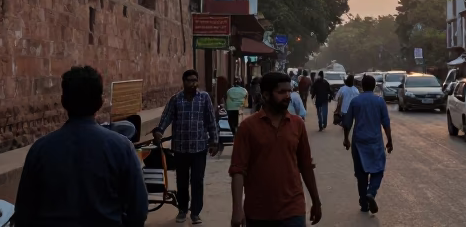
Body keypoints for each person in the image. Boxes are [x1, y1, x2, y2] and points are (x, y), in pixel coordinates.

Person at [15, 66, 147, 227]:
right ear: (100, 102)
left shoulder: (40, 150)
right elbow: (138, 211)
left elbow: (23, 214)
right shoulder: (121, 148)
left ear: (63, 101)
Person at [229, 72, 322, 227]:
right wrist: (237, 210)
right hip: (259, 212)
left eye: (289, 92)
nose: (287, 96)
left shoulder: (297, 124)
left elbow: (305, 165)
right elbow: (238, 170)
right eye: (281, 92)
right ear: (265, 95)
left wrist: (316, 202)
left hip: (293, 209)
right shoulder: (248, 127)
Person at [152, 69, 220, 224]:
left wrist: (214, 141)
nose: (193, 83)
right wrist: (159, 131)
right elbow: (166, 117)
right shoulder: (176, 99)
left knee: (197, 181)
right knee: (182, 181)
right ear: (183, 82)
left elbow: (211, 120)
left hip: (199, 148)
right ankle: (182, 209)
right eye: (189, 80)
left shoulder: (204, 98)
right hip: (180, 148)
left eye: (195, 80)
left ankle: (195, 212)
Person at [342, 74, 392, 214]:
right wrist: (389, 140)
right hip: (375, 142)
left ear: (362, 86)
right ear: (374, 86)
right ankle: (371, 192)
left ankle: (364, 203)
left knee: (361, 174)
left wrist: (346, 139)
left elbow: (347, 123)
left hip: (359, 142)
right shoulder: (379, 101)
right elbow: (386, 123)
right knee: (378, 170)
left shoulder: (355, 101)